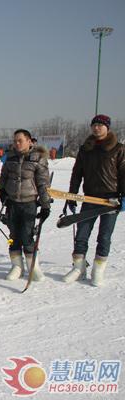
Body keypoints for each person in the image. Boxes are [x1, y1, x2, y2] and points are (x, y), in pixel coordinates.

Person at [63, 114, 125, 286]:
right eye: (94, 125)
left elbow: (123, 174)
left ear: (108, 128)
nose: (97, 128)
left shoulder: (118, 148)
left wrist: (123, 195)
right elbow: (77, 174)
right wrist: (72, 195)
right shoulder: (85, 149)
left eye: (100, 125)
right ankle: (78, 267)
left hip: (110, 199)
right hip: (89, 198)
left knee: (104, 236)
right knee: (82, 234)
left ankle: (98, 269)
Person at [0, 129, 51, 281]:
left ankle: (33, 266)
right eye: (15, 141)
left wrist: (45, 204)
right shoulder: (10, 157)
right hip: (12, 202)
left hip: (29, 203)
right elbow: (4, 176)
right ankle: (17, 266)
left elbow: (43, 183)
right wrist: (3, 191)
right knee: (13, 235)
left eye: (20, 140)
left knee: (27, 235)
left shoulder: (38, 158)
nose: (17, 143)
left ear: (29, 141)